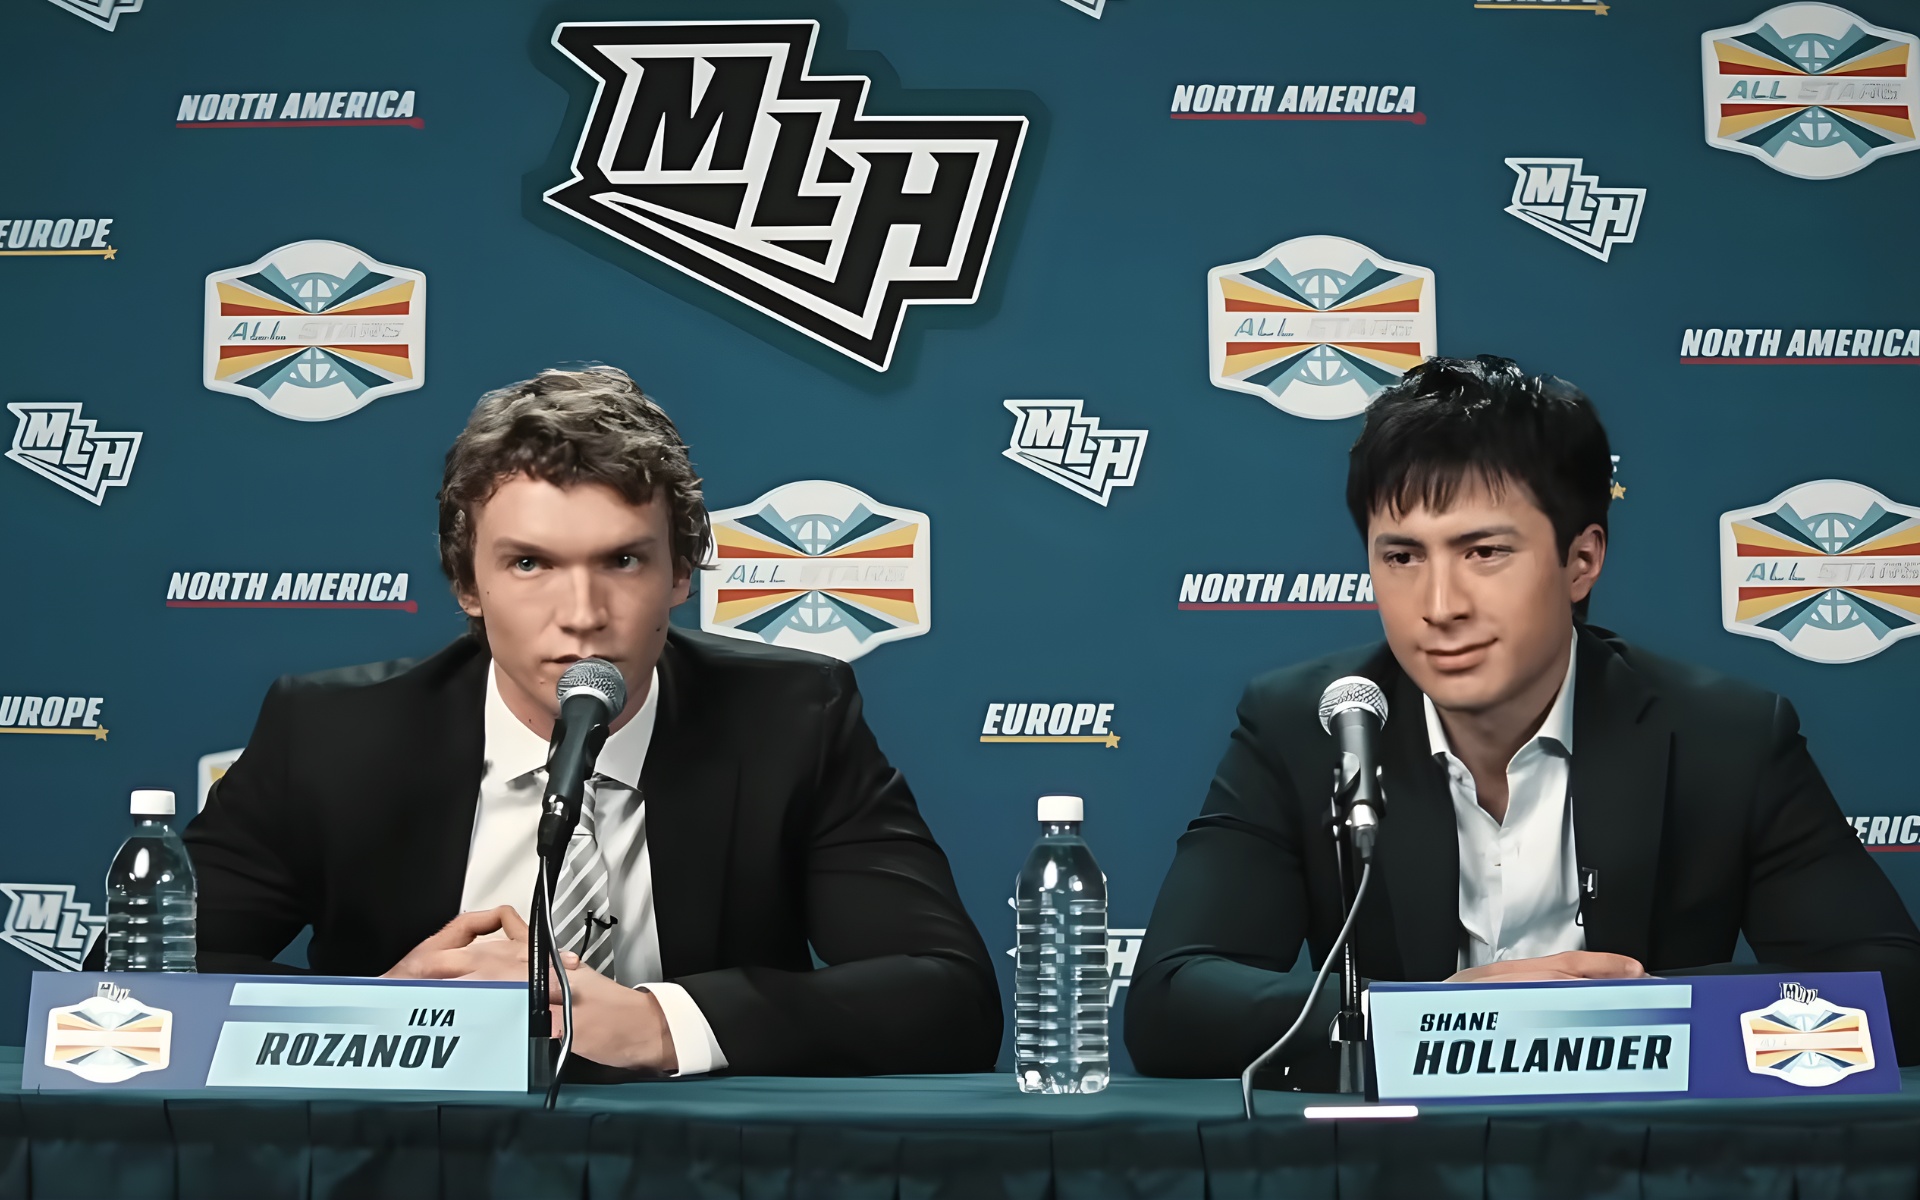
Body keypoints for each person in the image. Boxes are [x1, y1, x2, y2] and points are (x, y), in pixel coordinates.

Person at [167, 365, 1000, 1078]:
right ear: (468, 584)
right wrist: (381, 1016)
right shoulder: (334, 734)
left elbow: (950, 997)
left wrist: (657, 1024)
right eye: (529, 563)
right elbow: (133, 988)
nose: (582, 615)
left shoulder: (791, 720)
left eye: (624, 560)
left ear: (681, 574)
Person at [1125, 355, 1920, 1083]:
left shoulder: (1726, 737)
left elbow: (1897, 989)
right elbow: (1170, 1002)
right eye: (1402, 557)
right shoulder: (1310, 727)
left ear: (1582, 561)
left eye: (1484, 553)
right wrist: (1433, 1017)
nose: (1440, 606)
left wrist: (1622, 1018)